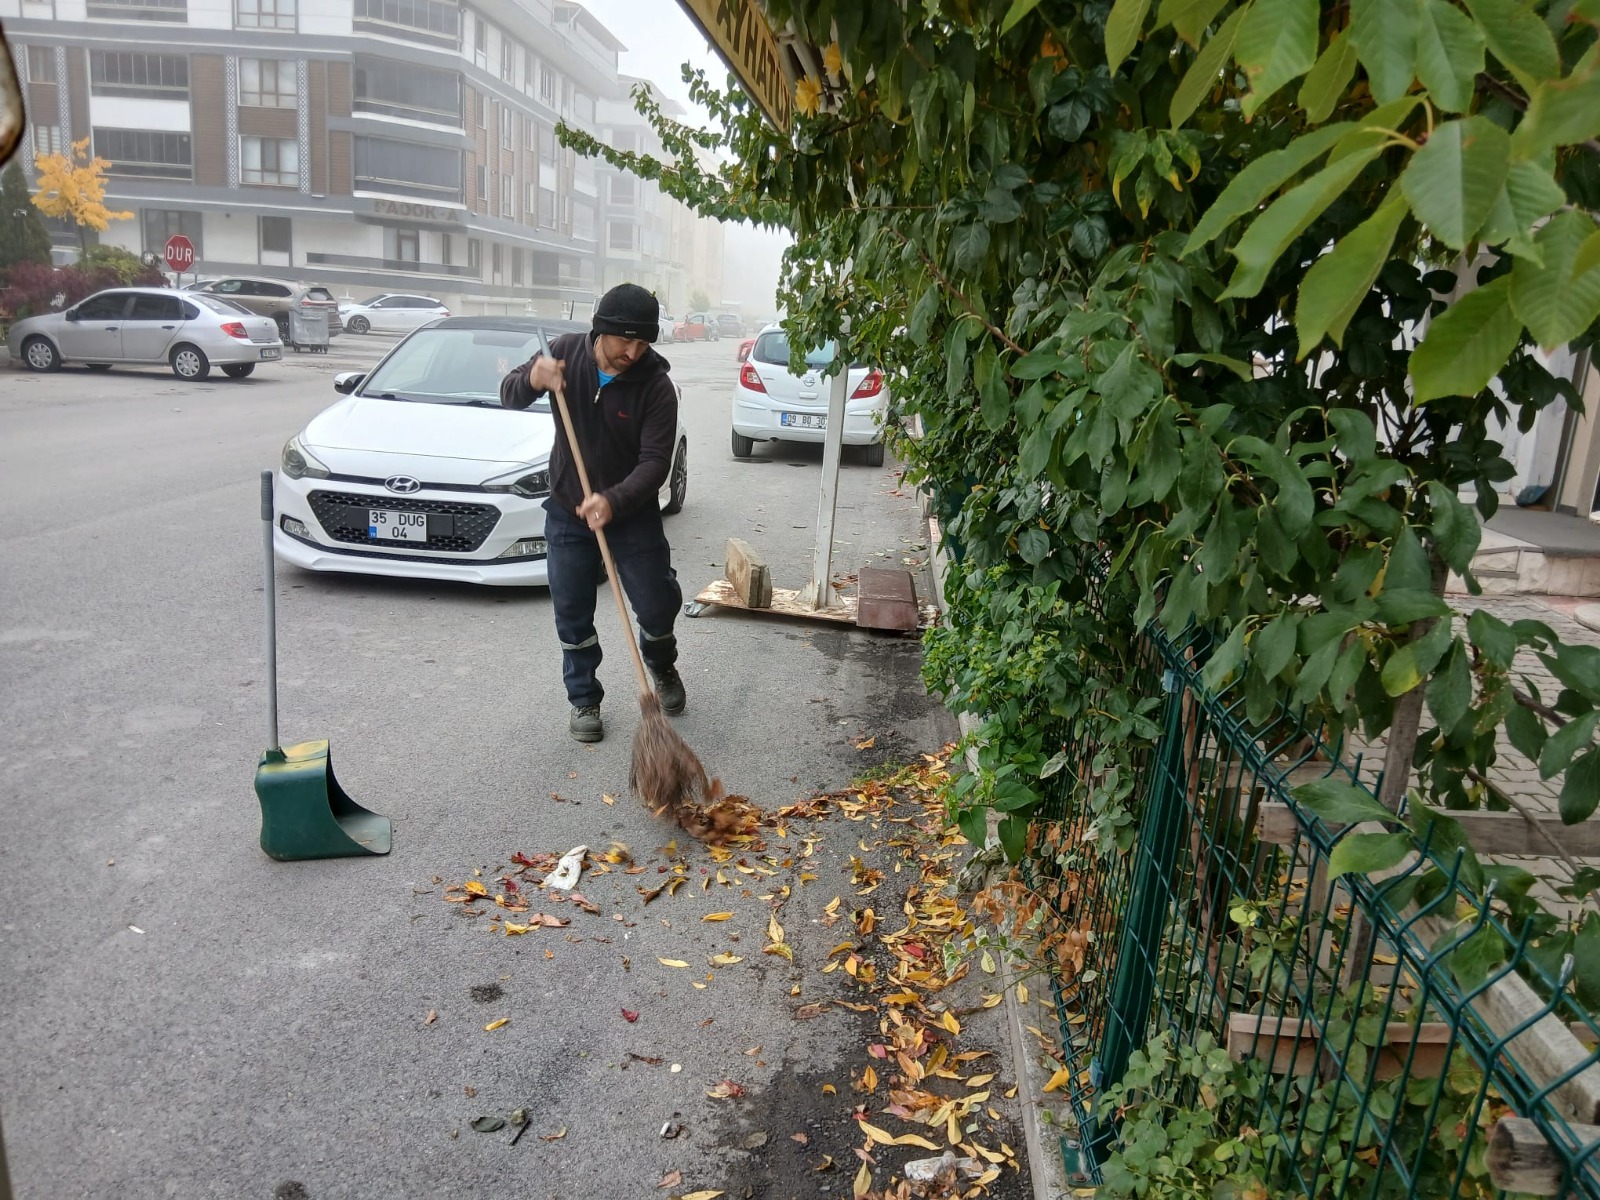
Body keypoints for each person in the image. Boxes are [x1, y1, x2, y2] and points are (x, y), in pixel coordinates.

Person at [500, 283, 685, 743]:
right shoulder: (564, 354)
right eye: (625, 340)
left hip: (632, 514)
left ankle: (661, 664)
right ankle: (584, 698)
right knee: (572, 610)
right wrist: (533, 379)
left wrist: (612, 500)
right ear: (601, 330)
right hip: (569, 510)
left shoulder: (656, 387)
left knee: (656, 605)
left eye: (643, 343)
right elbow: (509, 394)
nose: (633, 352)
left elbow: (655, 464)